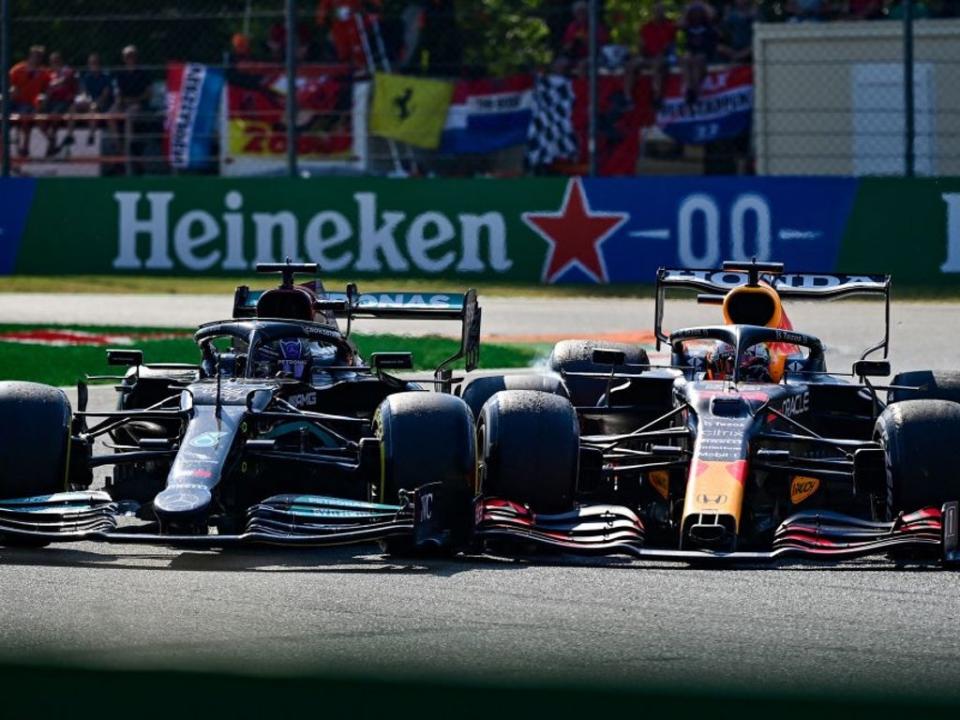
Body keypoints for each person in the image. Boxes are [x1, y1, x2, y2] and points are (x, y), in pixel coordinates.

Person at [624, 2, 677, 107]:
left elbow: (668, 46)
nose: (658, 13)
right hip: (647, 57)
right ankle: (627, 97)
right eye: (656, 11)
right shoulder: (646, 27)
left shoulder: (669, 26)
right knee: (631, 65)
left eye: (660, 11)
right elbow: (641, 45)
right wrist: (639, 51)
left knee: (658, 65)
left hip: (663, 58)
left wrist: (661, 54)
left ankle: (656, 96)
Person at [8, 45, 49, 157]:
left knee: (26, 115)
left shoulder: (43, 73)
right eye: (35, 56)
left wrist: (43, 98)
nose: (37, 59)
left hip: (29, 103)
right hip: (13, 101)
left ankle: (24, 148)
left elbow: (47, 88)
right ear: (30, 56)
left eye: (40, 57)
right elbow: (10, 87)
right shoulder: (18, 69)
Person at [67, 53, 114, 147]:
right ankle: (70, 135)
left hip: (102, 104)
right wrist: (84, 100)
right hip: (89, 102)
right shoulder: (87, 77)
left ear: (100, 64)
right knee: (73, 107)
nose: (93, 65)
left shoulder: (106, 77)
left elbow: (105, 95)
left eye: (95, 63)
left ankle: (91, 136)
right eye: (91, 63)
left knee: (93, 108)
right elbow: (84, 92)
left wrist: (95, 103)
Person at [680, 1, 718, 104]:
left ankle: (695, 91)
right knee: (686, 58)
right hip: (692, 51)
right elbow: (681, 24)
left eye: (698, 13)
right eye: (694, 13)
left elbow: (712, 15)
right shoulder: (689, 26)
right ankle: (689, 89)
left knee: (698, 60)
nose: (696, 15)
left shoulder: (708, 25)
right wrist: (688, 7)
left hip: (705, 52)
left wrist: (701, 3)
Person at [559, 0, 610, 76]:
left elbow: (602, 47)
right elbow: (566, 47)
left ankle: (583, 87)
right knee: (560, 64)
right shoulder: (572, 27)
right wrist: (573, 43)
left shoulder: (596, 26)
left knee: (582, 64)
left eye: (583, 12)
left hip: (594, 57)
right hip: (575, 57)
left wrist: (586, 41)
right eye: (578, 12)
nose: (580, 15)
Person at [42, 51, 78, 155]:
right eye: (52, 61)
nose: (54, 63)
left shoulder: (67, 70)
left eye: (56, 61)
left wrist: (53, 86)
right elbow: (47, 89)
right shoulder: (50, 73)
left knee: (54, 115)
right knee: (39, 115)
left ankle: (52, 146)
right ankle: (52, 142)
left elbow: (64, 81)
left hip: (64, 101)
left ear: (61, 61)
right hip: (52, 102)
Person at [717, 0, 757, 64]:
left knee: (754, 47)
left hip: (749, 48)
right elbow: (722, 30)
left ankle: (737, 57)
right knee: (720, 48)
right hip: (734, 49)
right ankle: (736, 58)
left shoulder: (755, 15)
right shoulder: (732, 15)